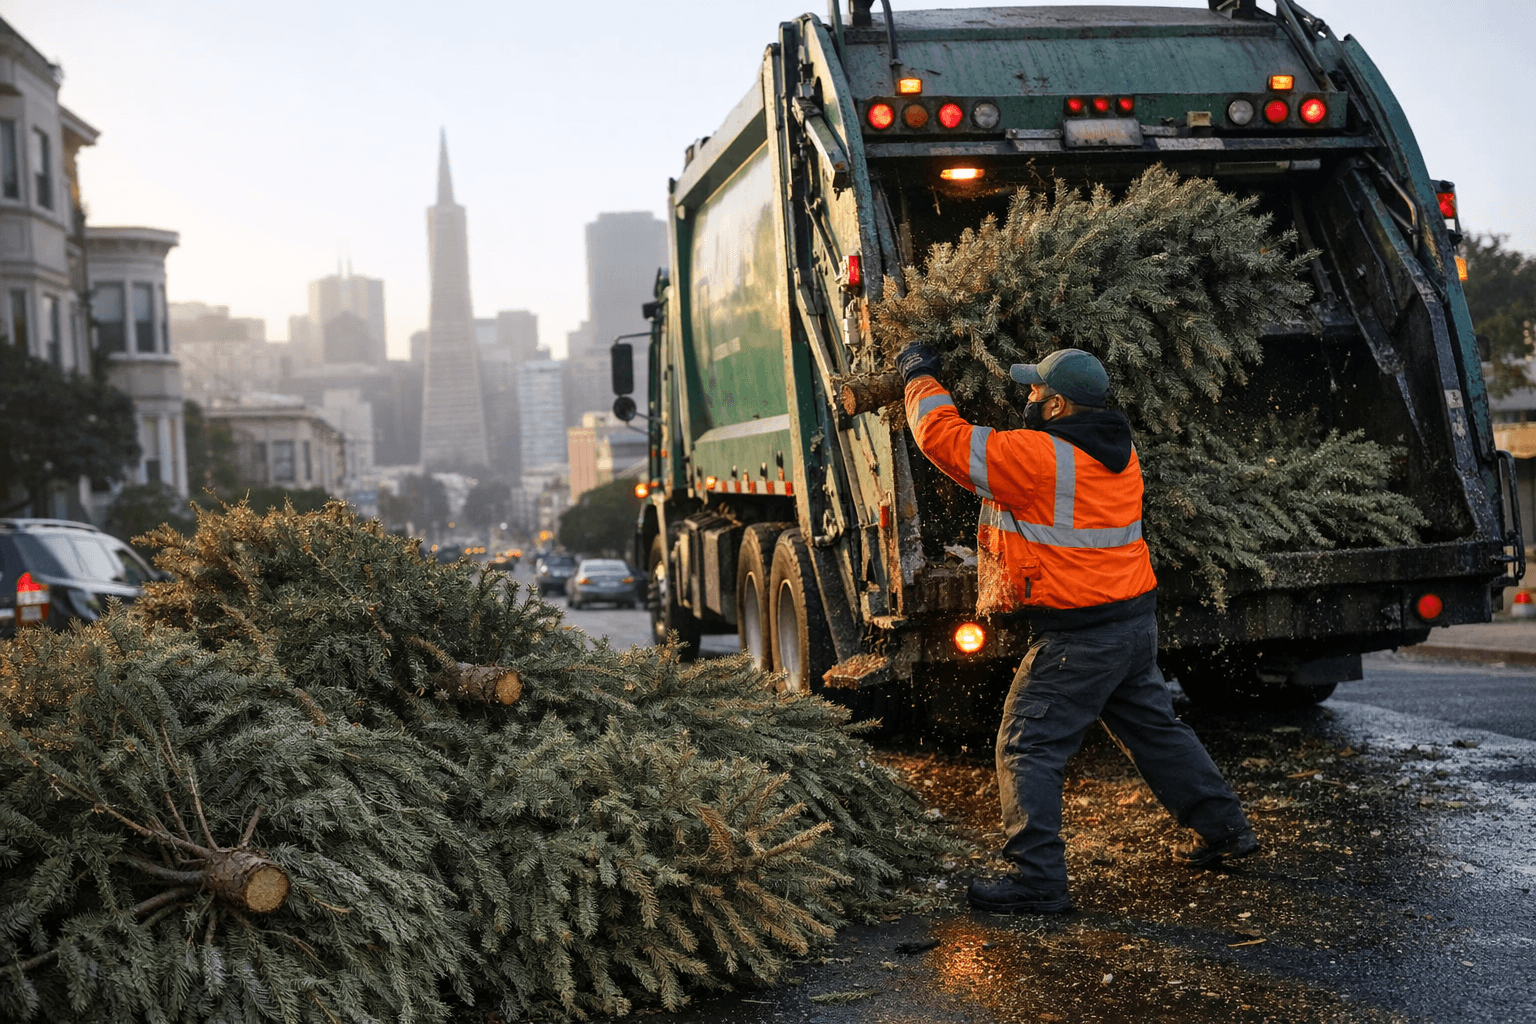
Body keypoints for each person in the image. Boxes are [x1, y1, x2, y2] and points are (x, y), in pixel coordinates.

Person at [896, 343, 1257, 914]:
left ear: (1058, 403)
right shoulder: (1120, 449)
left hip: (1079, 635)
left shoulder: (1041, 458)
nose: (1029, 396)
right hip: (1133, 622)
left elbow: (945, 440)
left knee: (1027, 743)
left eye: (1036, 390)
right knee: (1157, 733)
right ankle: (1228, 832)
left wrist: (918, 377)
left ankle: (1037, 880)